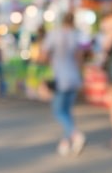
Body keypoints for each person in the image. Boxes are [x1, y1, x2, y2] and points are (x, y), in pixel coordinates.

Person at [41, 13, 86, 157]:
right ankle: (65, 143)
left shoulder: (54, 34)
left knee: (58, 111)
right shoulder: (76, 35)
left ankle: (75, 134)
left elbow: (43, 55)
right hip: (73, 77)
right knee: (67, 110)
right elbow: (80, 58)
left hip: (60, 77)